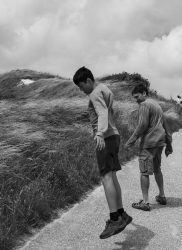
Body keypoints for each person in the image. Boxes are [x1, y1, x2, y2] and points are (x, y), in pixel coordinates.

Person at [72, 66, 132, 239]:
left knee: (106, 177)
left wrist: (99, 132)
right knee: (112, 176)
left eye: (81, 85)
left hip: (106, 137)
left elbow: (103, 112)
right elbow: (108, 108)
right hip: (114, 136)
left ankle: (114, 219)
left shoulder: (94, 93)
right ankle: (122, 214)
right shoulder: (104, 89)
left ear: (89, 81)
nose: (81, 90)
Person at [125, 84, 173, 211]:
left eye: (137, 96)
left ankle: (145, 203)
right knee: (157, 169)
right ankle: (162, 196)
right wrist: (169, 144)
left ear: (144, 93)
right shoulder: (157, 105)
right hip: (159, 142)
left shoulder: (145, 105)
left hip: (149, 143)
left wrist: (130, 141)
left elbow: (142, 125)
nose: (136, 100)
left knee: (144, 172)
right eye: (134, 98)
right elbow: (166, 125)